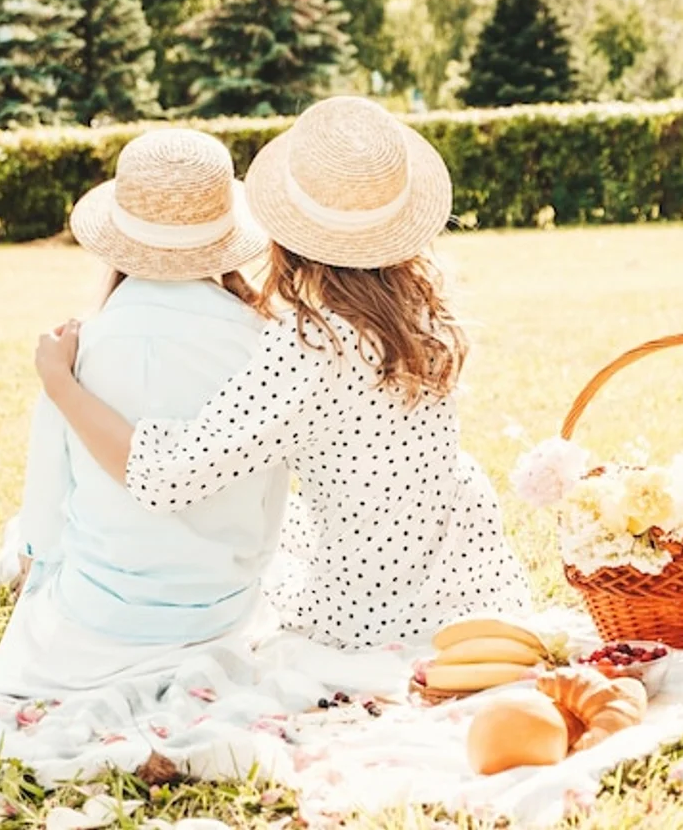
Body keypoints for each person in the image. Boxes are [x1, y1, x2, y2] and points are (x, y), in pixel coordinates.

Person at [34, 96, 532, 650]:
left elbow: (167, 477)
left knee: (254, 557)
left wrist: (61, 383)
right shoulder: (421, 311)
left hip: (372, 610)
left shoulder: (310, 344)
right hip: (468, 579)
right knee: (283, 518)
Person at [0, 128, 289, 696]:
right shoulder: (264, 344)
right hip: (221, 610)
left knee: (33, 544)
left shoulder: (78, 349)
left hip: (99, 616)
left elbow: (46, 515)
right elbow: (269, 512)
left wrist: (35, 567)